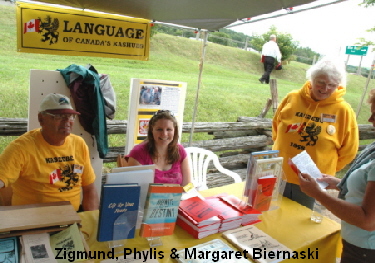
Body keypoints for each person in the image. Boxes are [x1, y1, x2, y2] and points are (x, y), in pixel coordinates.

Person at [297, 88, 375, 263]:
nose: (369, 120)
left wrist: (317, 194)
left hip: (365, 251)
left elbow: (367, 220)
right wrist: (338, 183)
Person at [272, 57, 359, 209]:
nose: (325, 89)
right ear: (311, 79)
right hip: (280, 172)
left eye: (332, 85)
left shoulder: (343, 111)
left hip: (314, 182)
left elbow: (349, 151)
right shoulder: (292, 98)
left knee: (305, 225)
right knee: (273, 214)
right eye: (321, 82)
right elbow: (276, 129)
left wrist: (324, 167)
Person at [0, 93, 99, 211]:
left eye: (70, 116)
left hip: (71, 220)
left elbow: (90, 189)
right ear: (41, 119)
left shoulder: (79, 144)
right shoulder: (21, 147)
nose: (67, 121)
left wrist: (91, 220)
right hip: (32, 222)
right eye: (59, 116)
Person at [127, 110, 191, 186]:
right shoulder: (138, 153)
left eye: (169, 129)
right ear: (151, 130)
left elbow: (188, 185)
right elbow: (134, 189)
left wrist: (190, 192)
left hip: (178, 197)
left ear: (175, 131)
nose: (164, 134)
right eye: (159, 129)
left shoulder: (180, 151)